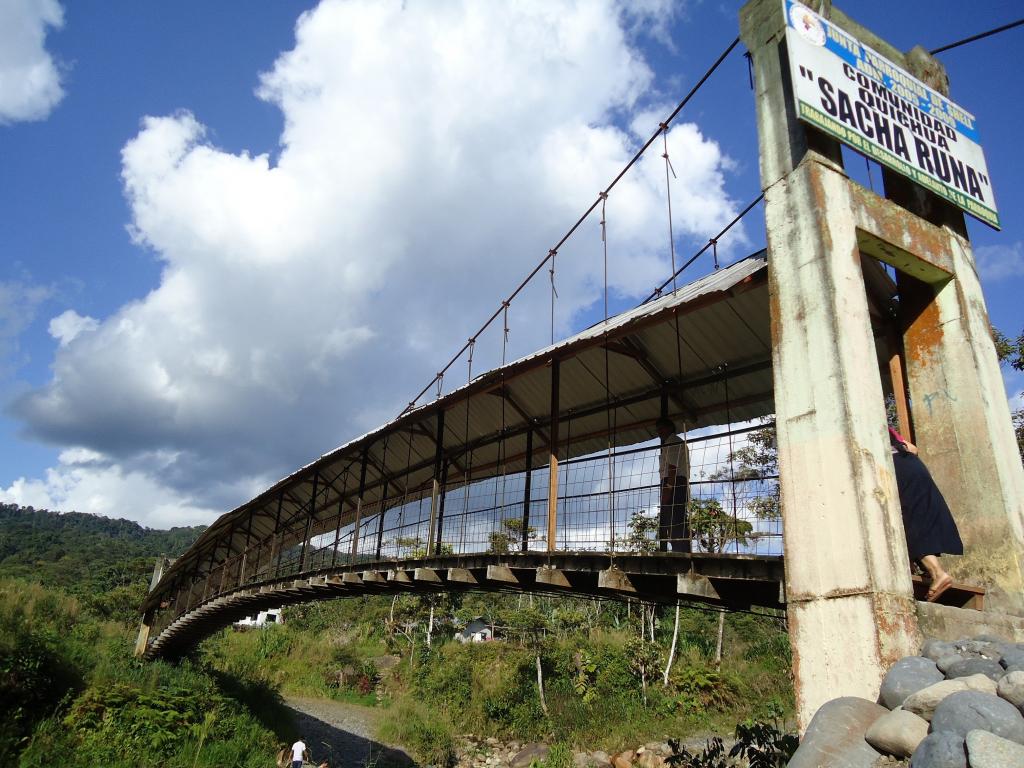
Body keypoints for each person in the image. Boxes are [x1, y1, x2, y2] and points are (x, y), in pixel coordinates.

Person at [889, 427, 963, 601]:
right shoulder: (889, 431)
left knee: (907, 521)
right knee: (918, 517)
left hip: (898, 468)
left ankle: (937, 573)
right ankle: (928, 571)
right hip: (914, 466)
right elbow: (913, 449)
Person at [657, 417, 691, 552]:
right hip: (674, 481)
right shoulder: (672, 442)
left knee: (674, 519)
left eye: (662, 428)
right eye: (658, 429)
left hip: (673, 482)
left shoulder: (672, 441)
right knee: (672, 518)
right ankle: (679, 548)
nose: (659, 432)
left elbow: (672, 467)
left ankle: (680, 550)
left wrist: (668, 488)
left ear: (670, 428)